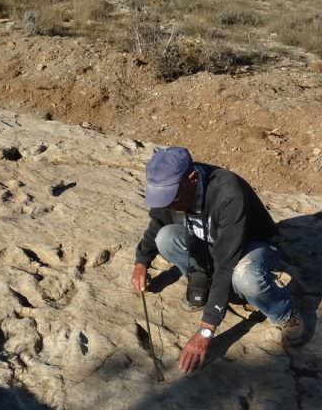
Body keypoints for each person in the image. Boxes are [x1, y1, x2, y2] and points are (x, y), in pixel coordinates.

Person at [131, 146, 307, 374]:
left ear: (192, 179)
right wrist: (141, 261)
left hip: (252, 245)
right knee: (165, 238)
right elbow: (158, 223)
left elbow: (226, 263)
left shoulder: (228, 193)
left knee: (245, 277)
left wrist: (206, 330)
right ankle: (204, 283)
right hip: (211, 243)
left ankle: (285, 312)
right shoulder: (174, 191)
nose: (167, 204)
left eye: (171, 197)